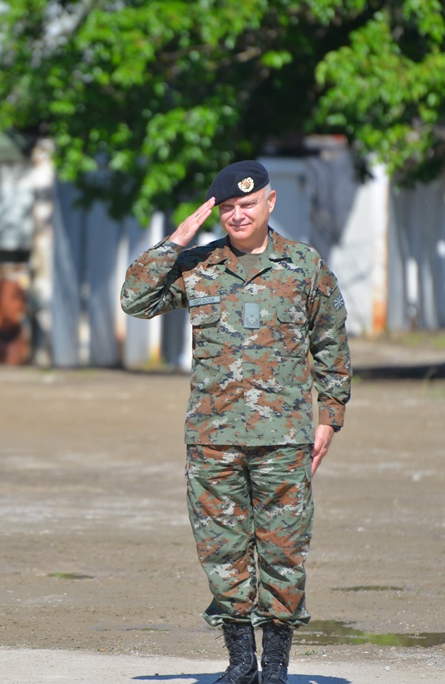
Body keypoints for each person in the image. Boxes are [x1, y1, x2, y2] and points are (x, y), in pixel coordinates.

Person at [120, 160, 351, 684]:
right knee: (222, 551)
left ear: (271, 202)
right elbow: (135, 299)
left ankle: (276, 667)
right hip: (213, 438)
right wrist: (177, 239)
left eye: (247, 204)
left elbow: (331, 342)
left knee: (283, 551)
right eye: (227, 208)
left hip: (284, 439)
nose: (238, 215)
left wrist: (329, 418)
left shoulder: (303, 266)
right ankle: (241, 663)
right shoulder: (199, 265)